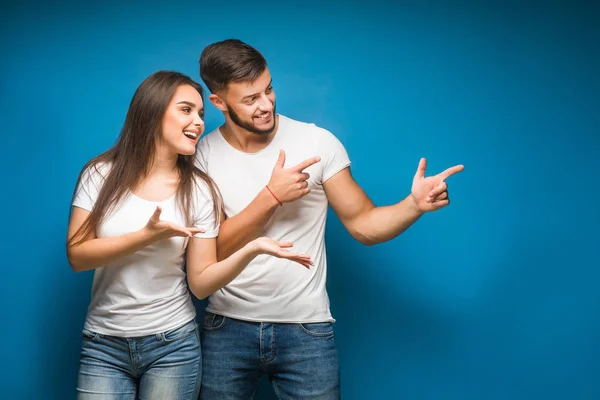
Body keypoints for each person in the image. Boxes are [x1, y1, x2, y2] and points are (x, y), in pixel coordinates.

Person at [195, 39, 464, 399]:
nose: (266, 104)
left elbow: (363, 224)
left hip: (306, 329)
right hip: (226, 328)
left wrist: (413, 205)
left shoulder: (316, 142)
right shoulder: (203, 156)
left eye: (269, 89)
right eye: (250, 99)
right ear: (218, 102)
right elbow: (208, 255)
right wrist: (271, 198)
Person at [66, 70, 312, 400]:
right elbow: (77, 256)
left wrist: (252, 249)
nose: (197, 121)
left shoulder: (199, 189)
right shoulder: (100, 174)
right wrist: (146, 236)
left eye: (200, 113)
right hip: (103, 345)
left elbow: (201, 282)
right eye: (186, 110)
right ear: (152, 111)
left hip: (173, 347)